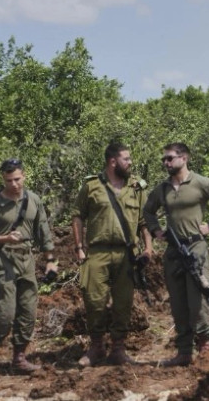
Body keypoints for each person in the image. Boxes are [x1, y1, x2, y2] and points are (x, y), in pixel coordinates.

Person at [143, 143, 209, 367]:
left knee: (198, 301)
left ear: (183, 158)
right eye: (163, 160)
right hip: (173, 251)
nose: (166, 163)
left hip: (195, 249)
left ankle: (205, 349)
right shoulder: (163, 188)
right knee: (178, 303)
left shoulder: (200, 183)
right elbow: (147, 210)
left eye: (169, 158)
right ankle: (184, 352)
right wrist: (156, 230)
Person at [72, 142, 154, 367]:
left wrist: (148, 248)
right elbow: (78, 215)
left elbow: (145, 221)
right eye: (126, 159)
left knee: (123, 303)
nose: (130, 163)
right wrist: (79, 247)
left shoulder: (137, 188)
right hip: (97, 253)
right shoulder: (91, 186)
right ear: (113, 162)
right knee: (93, 300)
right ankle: (96, 347)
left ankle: (118, 349)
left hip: (126, 253)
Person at [0, 158, 57, 376]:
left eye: (17, 179)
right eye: (9, 180)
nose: (14, 184)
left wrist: (50, 260)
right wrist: (4, 238)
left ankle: (19, 358)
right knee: (6, 312)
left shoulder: (34, 201)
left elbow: (44, 232)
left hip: (26, 260)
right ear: (3, 179)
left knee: (28, 310)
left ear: (24, 176)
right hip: (3, 261)